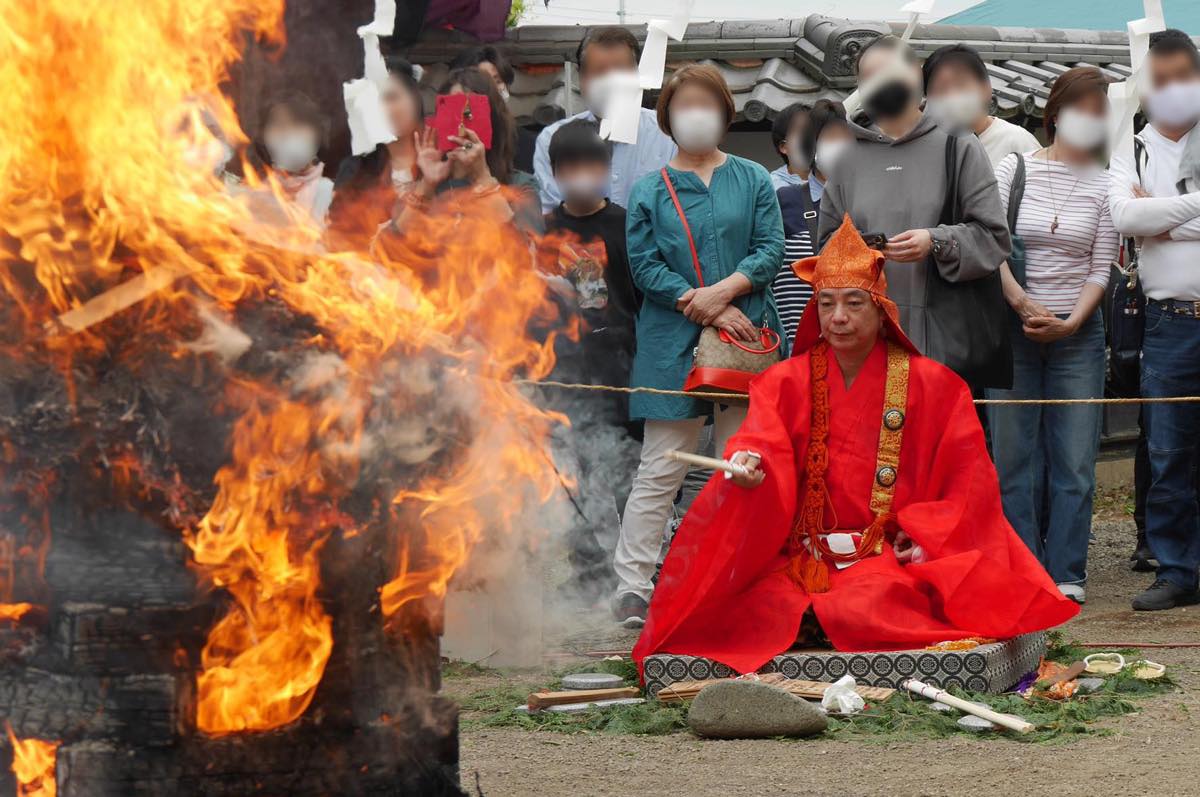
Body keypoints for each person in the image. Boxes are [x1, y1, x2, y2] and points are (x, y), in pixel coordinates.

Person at [632, 219, 1078, 674]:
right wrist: (747, 461)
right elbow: (760, 440)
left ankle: (832, 621)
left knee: (873, 602)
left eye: (853, 303)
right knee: (760, 605)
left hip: (880, 555)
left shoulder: (936, 386)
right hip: (805, 555)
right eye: (826, 304)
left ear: (881, 308)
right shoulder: (783, 381)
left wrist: (925, 533)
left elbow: (969, 484)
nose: (838, 317)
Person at [613, 64, 784, 627]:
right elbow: (643, 266)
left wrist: (727, 291)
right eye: (684, 103)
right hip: (671, 340)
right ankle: (633, 585)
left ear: (726, 113)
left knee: (742, 462)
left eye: (706, 102)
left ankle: (735, 575)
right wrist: (700, 301)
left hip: (744, 337)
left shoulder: (754, 178)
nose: (696, 113)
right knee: (661, 464)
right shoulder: (647, 190)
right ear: (667, 115)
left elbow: (770, 248)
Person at [988, 67, 1117, 605]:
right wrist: (1020, 302)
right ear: (1055, 111)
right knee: (1013, 460)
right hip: (1012, 330)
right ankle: (1023, 569)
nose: (1091, 116)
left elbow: (1101, 265)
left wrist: (1070, 321)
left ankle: (1067, 571)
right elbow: (989, 246)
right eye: (1082, 105)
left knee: (1075, 461)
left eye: (1100, 108)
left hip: (1078, 337)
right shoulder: (1012, 168)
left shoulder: (1111, 181)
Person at [819, 35, 1011, 386]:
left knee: (933, 437)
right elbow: (826, 245)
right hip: (866, 339)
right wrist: (857, 247)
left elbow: (994, 237)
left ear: (916, 74)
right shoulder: (849, 158)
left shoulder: (959, 144)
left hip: (943, 340)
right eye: (868, 77)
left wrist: (935, 241)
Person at [1109, 29, 1200, 611]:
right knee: (1168, 452)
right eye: (1159, 81)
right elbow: (1121, 213)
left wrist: (1160, 221)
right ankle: (1178, 570)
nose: (1171, 91)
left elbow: (1142, 218)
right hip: (1168, 323)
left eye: (1182, 79)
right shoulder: (1132, 148)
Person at [537, 120, 643, 603]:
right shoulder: (543, 230)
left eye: (591, 165)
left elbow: (638, 296)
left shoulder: (625, 223)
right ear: (556, 173)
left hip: (620, 366)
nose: (582, 174)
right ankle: (588, 571)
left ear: (606, 169)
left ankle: (636, 571)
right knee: (571, 476)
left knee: (627, 472)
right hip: (562, 370)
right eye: (570, 166)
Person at [380, 67, 542, 245]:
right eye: (452, 111)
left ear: (492, 121)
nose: (462, 128)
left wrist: (483, 178)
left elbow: (528, 254)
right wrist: (426, 186)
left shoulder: (520, 186)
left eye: (470, 114)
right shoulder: (422, 187)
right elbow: (390, 252)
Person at [533, 27, 676, 212]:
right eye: (600, 72)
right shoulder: (552, 139)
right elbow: (552, 213)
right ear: (581, 77)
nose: (611, 81)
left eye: (620, 71)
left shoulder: (667, 134)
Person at [775, 100, 852, 344]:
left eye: (845, 138)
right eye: (829, 137)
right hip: (797, 340)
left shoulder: (869, 201)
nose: (839, 145)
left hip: (858, 338)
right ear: (811, 146)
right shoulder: (785, 200)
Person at [328, 57, 424, 248]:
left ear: (415, 99)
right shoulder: (355, 169)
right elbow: (338, 238)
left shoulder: (444, 161)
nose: (384, 109)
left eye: (392, 97)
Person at [923, 44, 1041, 168]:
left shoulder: (1017, 141)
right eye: (941, 89)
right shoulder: (923, 145)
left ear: (986, 89)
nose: (952, 96)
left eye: (961, 85)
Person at [250, 90, 334, 225]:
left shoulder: (333, 194)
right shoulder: (253, 193)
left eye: (298, 123)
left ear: (318, 134)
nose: (286, 133)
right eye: (276, 124)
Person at [450, 45, 537, 173]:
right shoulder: (448, 144)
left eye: (497, 81)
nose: (492, 90)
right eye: (482, 83)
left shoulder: (528, 144)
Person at [769, 102, 812, 190]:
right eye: (802, 131)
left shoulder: (836, 183)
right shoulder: (771, 186)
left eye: (812, 130)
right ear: (783, 146)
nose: (809, 137)